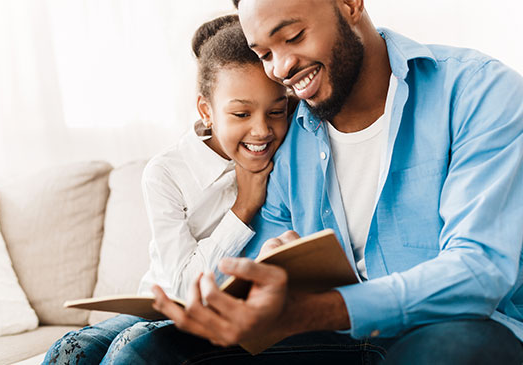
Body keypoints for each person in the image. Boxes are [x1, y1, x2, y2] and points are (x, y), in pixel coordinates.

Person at [145, 0, 523, 364]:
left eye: (293, 37)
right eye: (264, 54)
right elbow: (254, 269)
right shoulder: (288, 136)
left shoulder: (477, 91)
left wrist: (318, 311)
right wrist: (275, 268)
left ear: (350, 3)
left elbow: (479, 270)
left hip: (460, 331)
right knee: (148, 349)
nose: (281, 68)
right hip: (334, 342)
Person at [42, 15, 289, 364]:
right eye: (241, 114)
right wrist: (243, 206)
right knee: (73, 348)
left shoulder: (289, 151)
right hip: (162, 306)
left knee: (133, 347)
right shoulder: (166, 172)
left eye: (277, 111)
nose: (262, 130)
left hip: (225, 314)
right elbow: (184, 290)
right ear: (207, 111)